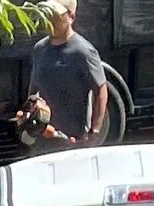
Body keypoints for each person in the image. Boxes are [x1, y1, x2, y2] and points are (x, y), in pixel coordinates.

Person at [18, 0, 108, 147]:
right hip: (44, 135)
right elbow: (34, 87)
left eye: (56, 15)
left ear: (71, 17)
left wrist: (95, 131)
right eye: (48, 14)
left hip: (72, 139)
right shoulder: (39, 49)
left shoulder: (83, 52)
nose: (50, 20)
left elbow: (101, 91)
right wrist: (29, 115)